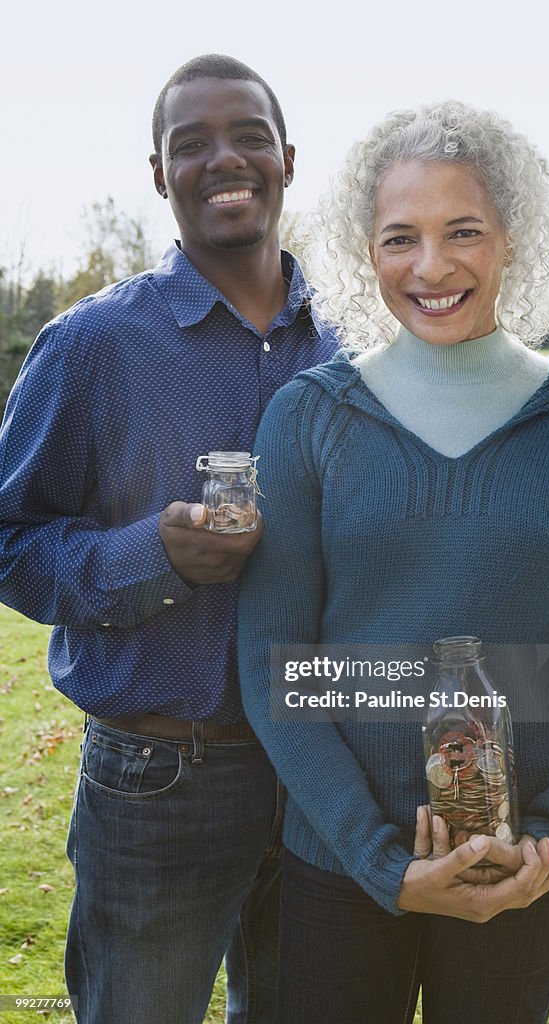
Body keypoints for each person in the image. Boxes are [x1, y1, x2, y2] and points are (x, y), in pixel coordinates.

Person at [237, 100, 549, 1023]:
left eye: (464, 231)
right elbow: (274, 669)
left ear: (512, 238)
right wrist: (379, 859)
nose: (431, 267)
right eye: (401, 237)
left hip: (526, 878)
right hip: (339, 871)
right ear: (367, 250)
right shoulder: (311, 418)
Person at [0, 54, 339, 1024]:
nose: (222, 158)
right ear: (158, 173)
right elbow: (8, 539)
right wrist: (152, 555)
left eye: (247, 136)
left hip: (325, 770)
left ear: (286, 158)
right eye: (191, 143)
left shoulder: (351, 344)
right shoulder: (94, 345)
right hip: (162, 779)